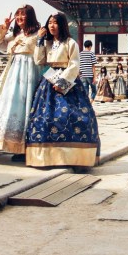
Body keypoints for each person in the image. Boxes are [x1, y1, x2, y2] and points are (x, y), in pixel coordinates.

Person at [26, 12, 100, 167]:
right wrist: (39, 40)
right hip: (48, 82)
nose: (52, 26)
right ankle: (47, 157)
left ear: (62, 25)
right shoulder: (46, 42)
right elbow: (39, 60)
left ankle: (75, 156)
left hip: (67, 81)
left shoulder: (70, 42)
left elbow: (74, 64)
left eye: (56, 23)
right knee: (44, 119)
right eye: (50, 23)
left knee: (76, 116)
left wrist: (62, 83)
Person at [0, 5, 41, 157]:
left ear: (30, 16)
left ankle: (24, 145)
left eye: (23, 15)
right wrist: (4, 28)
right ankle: (9, 143)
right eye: (17, 15)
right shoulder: (15, 35)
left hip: (29, 70)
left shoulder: (38, 33)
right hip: (12, 71)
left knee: (25, 104)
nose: (19, 18)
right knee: (8, 104)